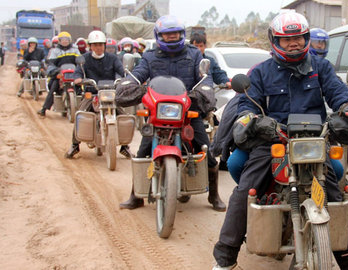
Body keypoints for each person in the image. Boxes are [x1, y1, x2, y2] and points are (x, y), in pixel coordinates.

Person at [212, 12, 348, 270]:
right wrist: (254, 119)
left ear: (306, 38)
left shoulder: (321, 68)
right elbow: (247, 105)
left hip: (313, 142)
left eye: (298, 38)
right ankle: (225, 258)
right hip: (274, 142)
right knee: (245, 190)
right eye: (287, 40)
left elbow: (339, 96)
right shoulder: (260, 72)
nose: (294, 43)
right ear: (276, 41)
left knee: (334, 192)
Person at [117, 15, 226, 212]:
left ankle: (213, 195)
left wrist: (205, 91)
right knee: (142, 152)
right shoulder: (149, 57)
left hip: (187, 111)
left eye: (175, 33)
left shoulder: (194, 55)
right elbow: (139, 73)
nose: (172, 37)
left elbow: (205, 78)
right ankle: (136, 195)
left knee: (206, 151)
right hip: (158, 112)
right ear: (160, 36)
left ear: (182, 34)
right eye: (167, 34)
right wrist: (131, 84)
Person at [64, 30, 132, 159]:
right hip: (92, 92)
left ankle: (125, 147)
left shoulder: (112, 58)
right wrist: (78, 79)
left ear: (105, 45)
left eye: (100, 44)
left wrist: (127, 77)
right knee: (81, 113)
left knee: (123, 116)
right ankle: (74, 145)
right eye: (95, 45)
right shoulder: (84, 59)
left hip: (110, 93)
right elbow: (78, 72)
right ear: (90, 46)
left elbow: (122, 71)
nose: (98, 47)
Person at [37, 31, 80, 117]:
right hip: (60, 75)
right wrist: (56, 71)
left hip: (74, 74)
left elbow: (80, 62)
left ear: (70, 40)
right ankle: (44, 109)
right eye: (62, 40)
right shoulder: (55, 51)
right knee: (53, 87)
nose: (65, 41)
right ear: (59, 41)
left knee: (82, 89)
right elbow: (51, 64)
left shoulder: (75, 50)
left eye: (67, 39)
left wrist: (80, 69)